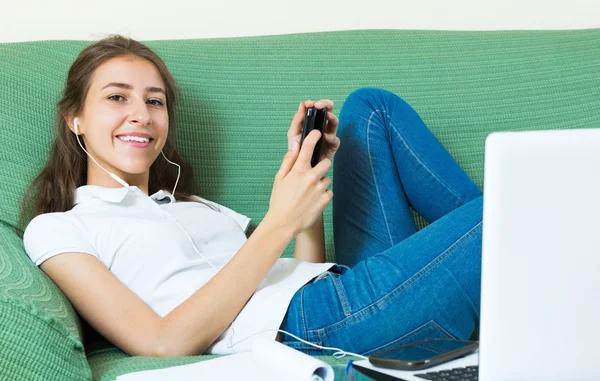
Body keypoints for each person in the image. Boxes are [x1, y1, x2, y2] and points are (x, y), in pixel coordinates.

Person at [20, 35, 483, 358]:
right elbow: (162, 343)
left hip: (335, 287)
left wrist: (306, 182)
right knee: (513, 208)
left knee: (371, 108)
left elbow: (299, 267)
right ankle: (509, 277)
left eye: (155, 101)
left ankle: (499, 275)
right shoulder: (59, 228)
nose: (140, 114)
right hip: (309, 326)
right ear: (74, 118)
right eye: (117, 98)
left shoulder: (193, 206)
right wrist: (279, 221)